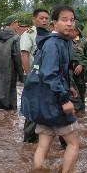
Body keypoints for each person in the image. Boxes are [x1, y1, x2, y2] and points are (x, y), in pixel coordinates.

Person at [20, 5, 80, 173]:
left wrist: (68, 86)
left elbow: (53, 72)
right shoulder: (55, 44)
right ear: (54, 23)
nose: (69, 23)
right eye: (64, 19)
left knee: (43, 144)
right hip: (54, 103)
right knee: (74, 143)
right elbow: (49, 74)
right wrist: (64, 99)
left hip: (43, 103)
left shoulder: (56, 42)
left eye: (72, 20)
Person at [21, 9, 50, 143]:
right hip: (35, 76)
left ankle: (43, 137)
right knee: (33, 107)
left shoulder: (49, 35)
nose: (44, 20)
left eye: (46, 18)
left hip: (47, 77)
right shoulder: (29, 34)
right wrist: (28, 75)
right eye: (41, 18)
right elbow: (25, 55)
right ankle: (29, 140)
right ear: (34, 19)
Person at [70, 21, 87, 111]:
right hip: (68, 71)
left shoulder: (84, 42)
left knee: (81, 91)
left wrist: (82, 65)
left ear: (78, 31)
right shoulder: (66, 40)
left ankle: (81, 111)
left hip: (81, 73)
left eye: (74, 30)